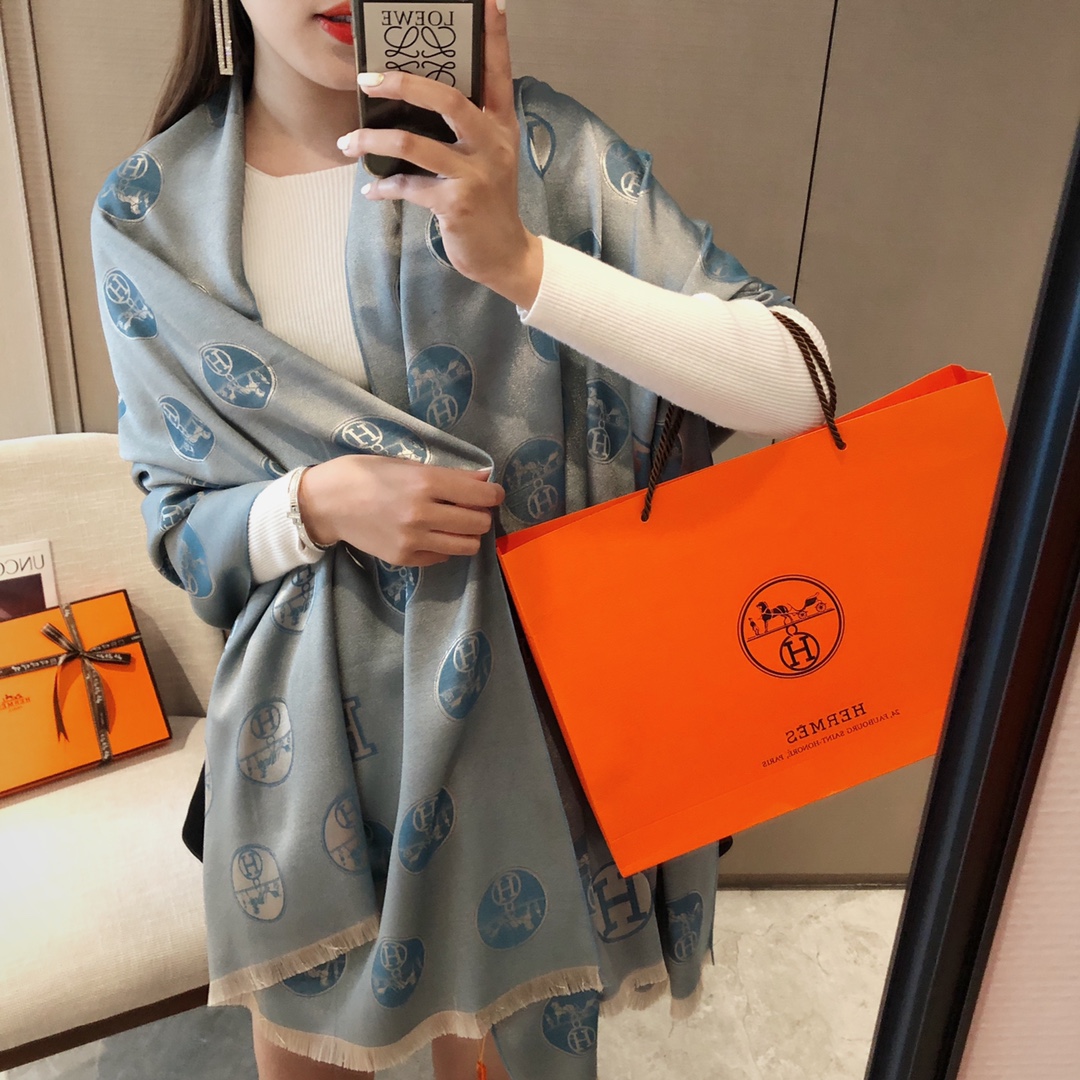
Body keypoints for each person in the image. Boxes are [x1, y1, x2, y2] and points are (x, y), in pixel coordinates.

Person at [91, 2, 833, 1078]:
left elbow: (799, 380)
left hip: (527, 726)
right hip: (305, 748)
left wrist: (523, 262)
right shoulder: (149, 216)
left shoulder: (539, 152)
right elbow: (178, 526)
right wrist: (315, 503)